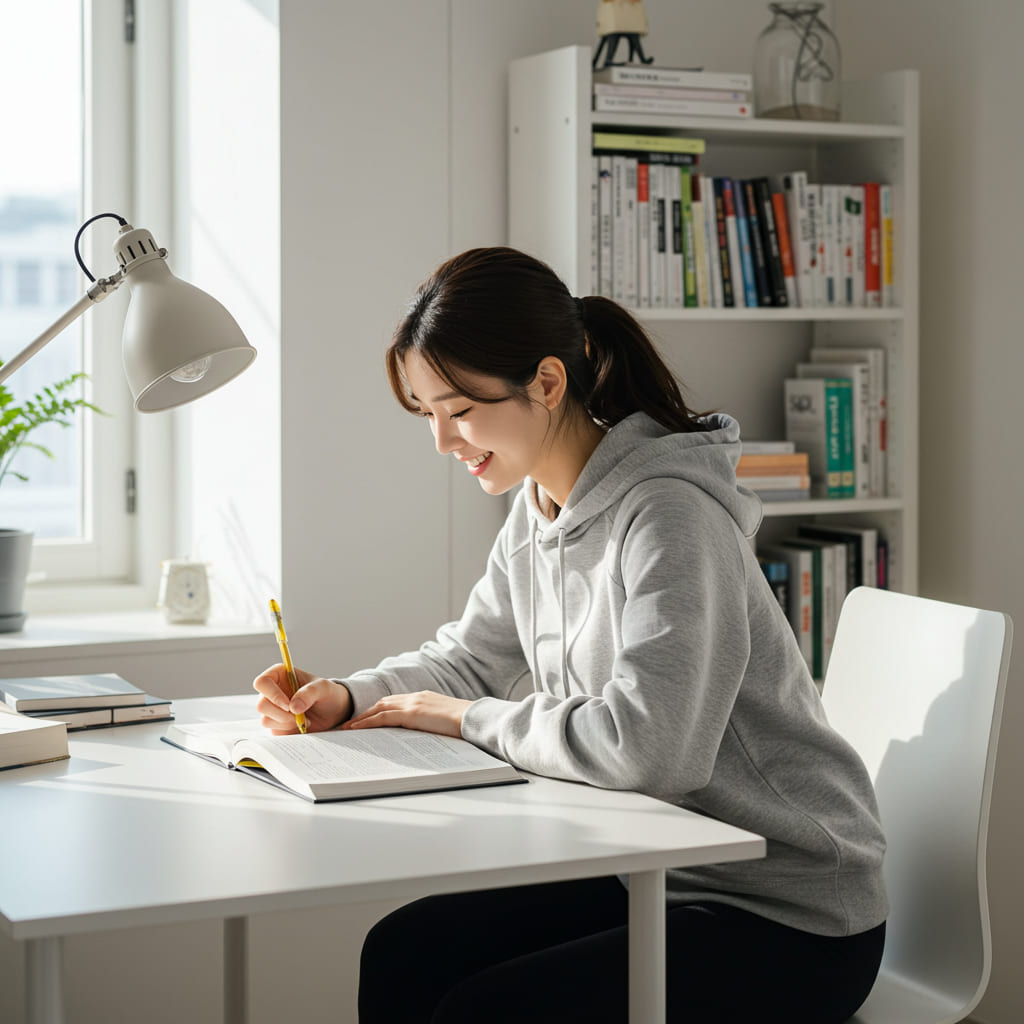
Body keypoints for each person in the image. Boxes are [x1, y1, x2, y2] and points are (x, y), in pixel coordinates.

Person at [253, 246, 887, 1023]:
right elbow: (475, 654)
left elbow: (652, 750)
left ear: (547, 383)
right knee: (404, 950)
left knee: (486, 1009)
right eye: (429, 416)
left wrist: (463, 719)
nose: (444, 443)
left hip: (786, 910)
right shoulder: (541, 506)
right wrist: (351, 697)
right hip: (650, 873)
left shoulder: (670, 515)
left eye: (459, 411)